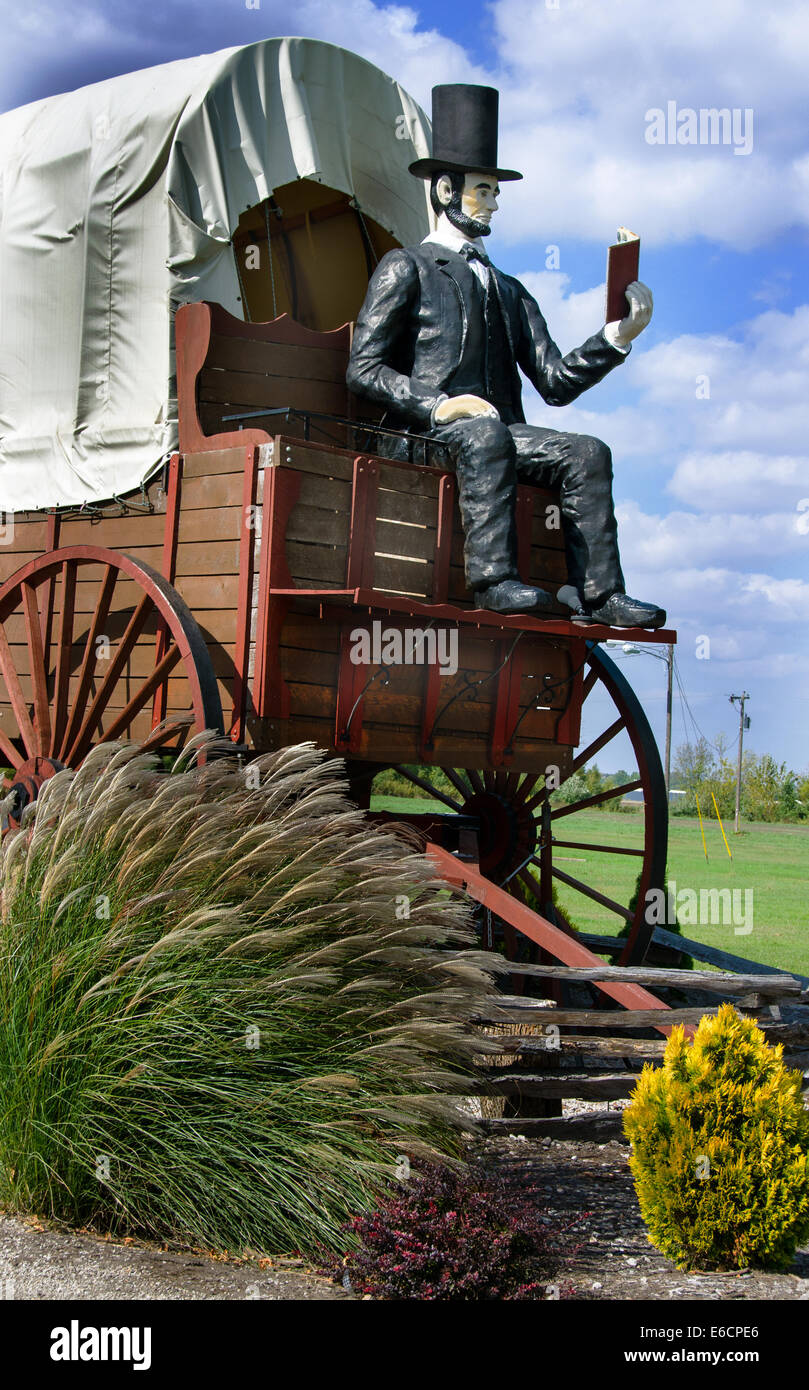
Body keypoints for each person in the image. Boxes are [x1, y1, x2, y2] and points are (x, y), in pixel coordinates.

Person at [346, 83, 664, 627]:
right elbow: (364, 369)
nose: (494, 202)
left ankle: (598, 593)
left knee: (588, 450)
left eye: (495, 192)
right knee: (485, 433)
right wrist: (439, 405)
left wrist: (618, 335)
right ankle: (492, 581)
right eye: (484, 190)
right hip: (424, 434)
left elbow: (556, 382)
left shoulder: (509, 289)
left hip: (495, 436)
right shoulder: (407, 267)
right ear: (446, 189)